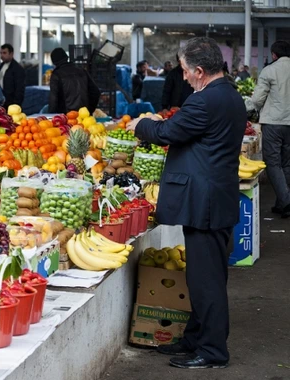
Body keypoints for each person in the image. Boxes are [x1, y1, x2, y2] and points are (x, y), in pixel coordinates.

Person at [126, 37, 245, 369]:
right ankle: (195, 338)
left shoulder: (205, 102)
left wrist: (141, 126)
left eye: (185, 71)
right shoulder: (229, 95)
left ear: (200, 71)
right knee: (205, 276)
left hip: (205, 203)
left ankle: (213, 351)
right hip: (216, 198)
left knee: (206, 281)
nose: (184, 77)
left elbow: (169, 132)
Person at [251, 40, 290, 217]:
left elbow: (257, 100)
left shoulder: (269, 70)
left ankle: (286, 201)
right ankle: (281, 202)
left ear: (274, 55)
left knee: (273, 164)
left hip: (274, 124)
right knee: (287, 163)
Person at [48, 47, 100, 114]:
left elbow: (53, 100)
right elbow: (96, 92)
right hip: (83, 116)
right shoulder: (82, 70)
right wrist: (89, 110)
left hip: (66, 118)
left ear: (54, 62)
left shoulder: (56, 75)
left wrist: (50, 116)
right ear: (67, 57)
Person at [0, 43, 26, 108]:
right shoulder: (1, 66)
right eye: (1, 53)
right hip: (2, 101)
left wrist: (16, 104)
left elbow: (20, 89)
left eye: (4, 53)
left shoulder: (18, 69)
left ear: (11, 54)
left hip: (13, 102)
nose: (2, 55)